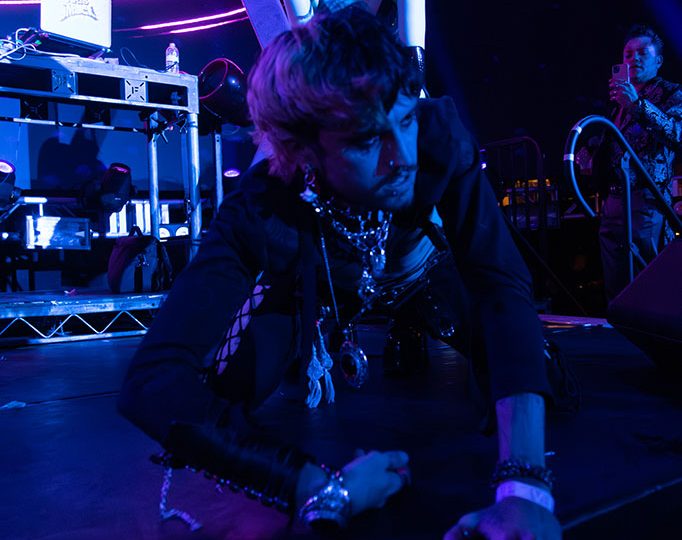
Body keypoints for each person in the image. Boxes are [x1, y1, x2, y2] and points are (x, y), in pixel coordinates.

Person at [118, 6, 560, 539]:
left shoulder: (438, 134)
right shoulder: (261, 207)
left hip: (423, 274)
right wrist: (313, 485)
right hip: (320, 289)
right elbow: (153, 381)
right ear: (302, 151)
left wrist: (524, 488)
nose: (403, 158)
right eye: (368, 141)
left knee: (548, 382)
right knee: (226, 394)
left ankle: (408, 327)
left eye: (405, 121)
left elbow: (499, 282)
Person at [598, 24, 682, 301]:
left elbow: (677, 133)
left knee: (648, 277)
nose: (634, 58)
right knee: (616, 280)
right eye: (628, 54)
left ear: (658, 60)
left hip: (647, 201)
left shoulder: (673, 93)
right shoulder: (617, 101)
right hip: (613, 201)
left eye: (642, 52)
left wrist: (637, 105)